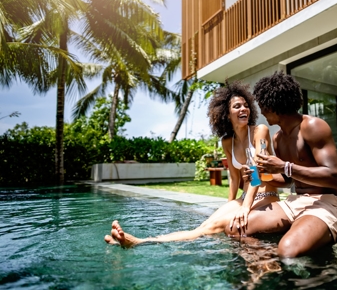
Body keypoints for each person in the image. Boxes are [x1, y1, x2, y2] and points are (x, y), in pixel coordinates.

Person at [104, 80, 282, 248]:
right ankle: (140, 241)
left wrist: (244, 207)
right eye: (237, 106)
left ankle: (139, 242)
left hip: (266, 195)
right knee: (204, 225)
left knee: (210, 229)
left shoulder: (260, 131)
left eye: (245, 105)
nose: (244, 109)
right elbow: (234, 179)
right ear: (227, 115)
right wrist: (229, 206)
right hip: (245, 198)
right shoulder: (227, 142)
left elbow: (258, 171)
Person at [225, 71, 337, 258]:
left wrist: (284, 166)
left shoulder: (313, 127)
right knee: (234, 228)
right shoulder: (278, 138)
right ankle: (266, 265)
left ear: (273, 106)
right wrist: (261, 175)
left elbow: (335, 177)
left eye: (262, 106)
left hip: (327, 203)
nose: (260, 110)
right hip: (295, 203)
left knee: (287, 249)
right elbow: (286, 180)